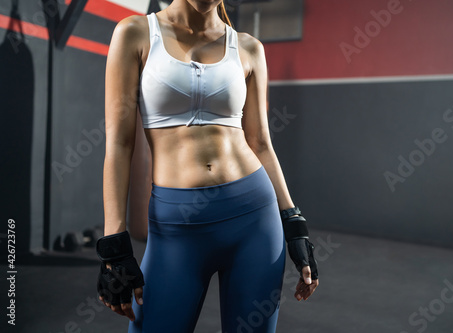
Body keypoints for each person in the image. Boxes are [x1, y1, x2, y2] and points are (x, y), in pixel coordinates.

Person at [95, 1, 319, 332]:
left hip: (254, 220)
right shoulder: (135, 33)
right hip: (177, 227)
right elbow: (119, 143)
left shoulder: (248, 47)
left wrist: (295, 224)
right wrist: (114, 246)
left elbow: (260, 144)